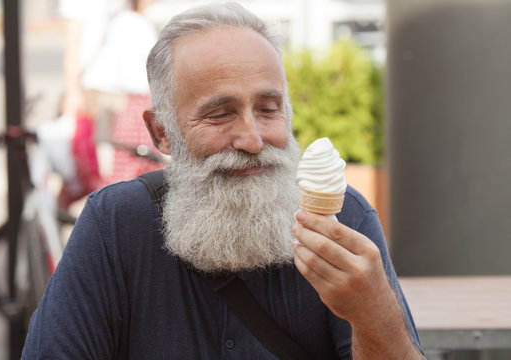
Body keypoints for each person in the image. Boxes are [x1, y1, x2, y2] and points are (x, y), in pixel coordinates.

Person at [22, 3, 424, 359]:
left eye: (268, 109)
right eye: (220, 114)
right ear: (161, 132)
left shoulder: (344, 218)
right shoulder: (115, 224)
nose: (252, 140)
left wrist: (374, 317)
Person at [57, 0, 165, 208]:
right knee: (123, 168)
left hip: (116, 97)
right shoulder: (131, 21)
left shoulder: (125, 18)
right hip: (120, 99)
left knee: (112, 167)